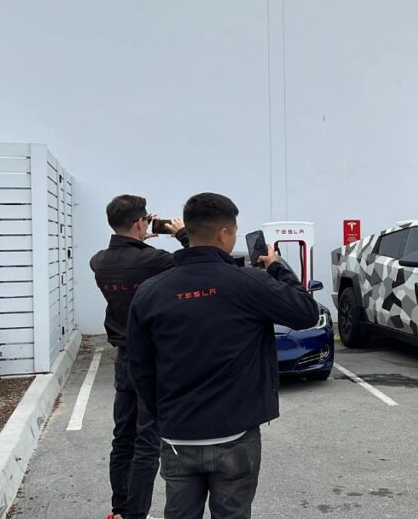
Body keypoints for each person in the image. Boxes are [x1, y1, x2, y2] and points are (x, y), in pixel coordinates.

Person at [127, 192, 319, 518]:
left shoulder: (150, 292)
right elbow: (306, 312)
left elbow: (140, 368)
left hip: (178, 435)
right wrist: (277, 267)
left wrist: (163, 417)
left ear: (189, 229)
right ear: (225, 234)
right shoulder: (249, 283)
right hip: (236, 434)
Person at [90, 194, 187, 519]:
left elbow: (126, 256)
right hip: (151, 360)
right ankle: (135, 514)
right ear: (139, 223)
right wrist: (179, 234)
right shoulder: (156, 260)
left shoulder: (99, 261)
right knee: (147, 442)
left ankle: (120, 510)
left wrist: (139, 237)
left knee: (123, 438)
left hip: (123, 359)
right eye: (145, 219)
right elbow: (198, 260)